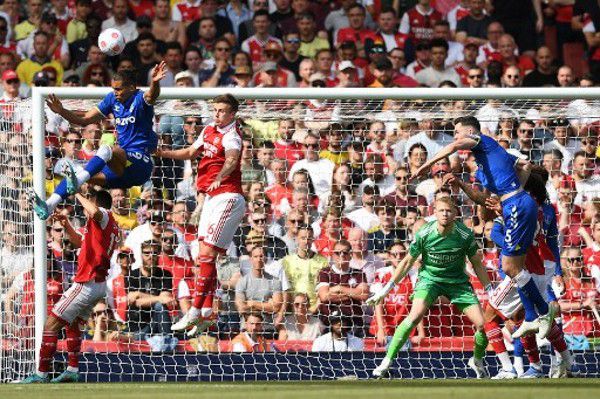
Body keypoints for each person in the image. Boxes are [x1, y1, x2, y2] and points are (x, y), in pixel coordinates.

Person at [412, 116, 553, 339]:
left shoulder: (483, 141)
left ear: (469, 131)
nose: (456, 136)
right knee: (513, 268)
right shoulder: (487, 164)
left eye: (457, 131)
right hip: (513, 205)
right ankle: (531, 316)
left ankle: (543, 313)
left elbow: (454, 145)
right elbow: (489, 194)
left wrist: (425, 166)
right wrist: (461, 184)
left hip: (515, 205)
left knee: (510, 268)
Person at [368, 197, 492, 378]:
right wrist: (387, 288)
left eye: (448, 211)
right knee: (414, 316)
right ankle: (386, 361)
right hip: (429, 281)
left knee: (482, 325)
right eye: (441, 210)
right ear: (434, 213)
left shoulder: (464, 234)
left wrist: (489, 289)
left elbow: (477, 264)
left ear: (455, 214)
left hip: (457, 283)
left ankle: (477, 360)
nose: (445, 214)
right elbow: (407, 262)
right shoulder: (424, 233)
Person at [29, 62, 167, 220]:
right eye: (113, 88)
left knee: (109, 149)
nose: (115, 92)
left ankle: (76, 182)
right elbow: (84, 120)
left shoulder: (140, 98)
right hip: (120, 171)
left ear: (131, 87)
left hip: (140, 164)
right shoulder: (111, 100)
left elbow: (152, 95)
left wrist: (155, 82)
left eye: (118, 89)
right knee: (77, 174)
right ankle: (49, 205)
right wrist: (61, 111)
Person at [155, 94, 246, 334]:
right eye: (215, 110)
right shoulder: (208, 129)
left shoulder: (232, 136)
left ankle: (193, 311)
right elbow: (189, 153)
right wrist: (162, 153)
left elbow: (232, 159)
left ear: (232, 113)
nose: (217, 114)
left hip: (227, 196)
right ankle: (207, 313)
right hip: (211, 199)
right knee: (202, 256)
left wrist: (219, 177)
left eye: (222, 111)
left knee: (205, 254)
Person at [20, 189, 119, 383]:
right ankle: (73, 369)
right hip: (97, 285)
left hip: (87, 283)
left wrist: (77, 194)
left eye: (90, 201)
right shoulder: (104, 226)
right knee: (73, 324)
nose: (85, 207)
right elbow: (79, 242)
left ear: (96, 202)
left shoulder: (104, 215)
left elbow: (94, 210)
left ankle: (41, 374)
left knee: (51, 324)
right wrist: (66, 225)